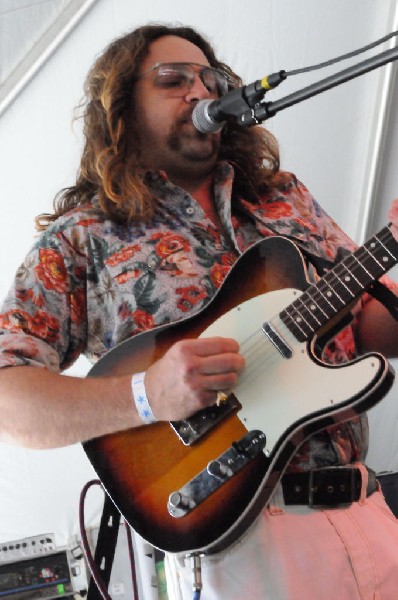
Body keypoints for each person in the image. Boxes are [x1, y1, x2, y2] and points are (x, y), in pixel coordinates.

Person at [1, 23, 398, 600]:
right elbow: (9, 397)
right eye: (172, 80)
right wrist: (145, 393)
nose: (200, 91)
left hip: (367, 513)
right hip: (236, 548)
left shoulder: (283, 198)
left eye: (210, 78)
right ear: (122, 108)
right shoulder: (83, 236)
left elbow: (367, 331)